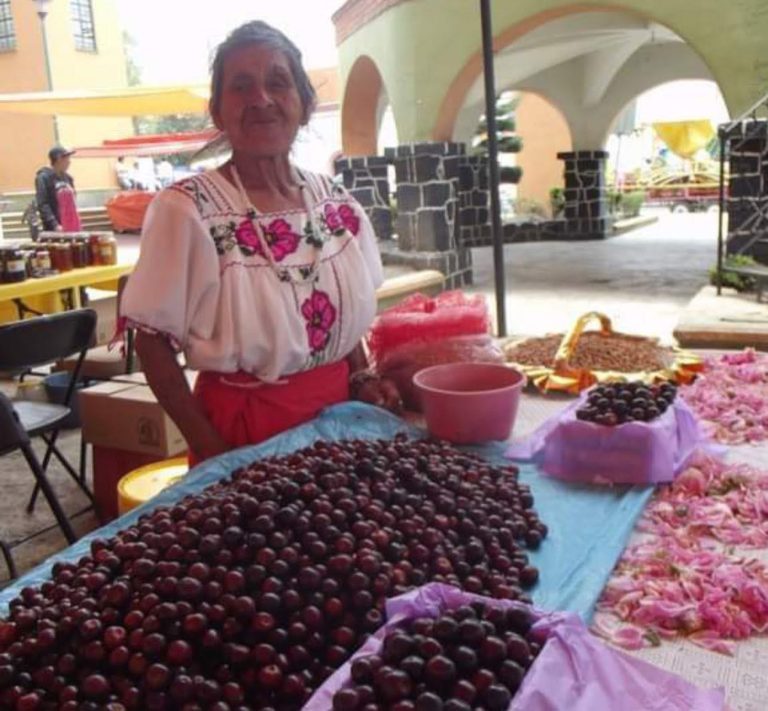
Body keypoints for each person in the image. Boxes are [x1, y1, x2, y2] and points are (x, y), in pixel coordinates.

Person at [120, 21, 400, 466]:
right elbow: (151, 344)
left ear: (305, 103)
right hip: (242, 436)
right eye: (241, 86)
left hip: (342, 424)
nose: (261, 99)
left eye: (277, 82)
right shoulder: (188, 210)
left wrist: (361, 376)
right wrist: (215, 455)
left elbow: (340, 305)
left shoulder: (335, 202)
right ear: (218, 111)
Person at [35, 146, 81, 232]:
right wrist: (54, 225)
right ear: (59, 159)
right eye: (67, 158)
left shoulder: (68, 178)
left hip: (72, 225)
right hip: (55, 228)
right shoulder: (44, 178)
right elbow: (43, 204)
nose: (69, 162)